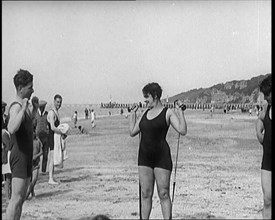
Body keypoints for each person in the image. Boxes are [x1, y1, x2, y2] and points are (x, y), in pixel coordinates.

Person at [129, 82, 187, 219]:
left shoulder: (168, 112)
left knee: (164, 193)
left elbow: (182, 130)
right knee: (145, 193)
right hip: (144, 158)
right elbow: (132, 132)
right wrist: (133, 114)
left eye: (147, 98)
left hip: (161, 158)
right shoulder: (144, 113)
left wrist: (180, 112)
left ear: (155, 96)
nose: (145, 101)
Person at [6, 69, 38, 220]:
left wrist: (35, 109)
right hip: (19, 155)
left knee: (21, 198)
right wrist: (24, 108)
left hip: (26, 155)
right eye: (30, 87)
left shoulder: (22, 106)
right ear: (20, 88)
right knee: (16, 199)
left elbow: (26, 127)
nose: (32, 90)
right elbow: (12, 128)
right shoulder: (15, 106)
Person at [255, 74, 272, 219]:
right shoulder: (266, 110)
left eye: (267, 94)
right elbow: (259, 125)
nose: (265, 98)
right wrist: (263, 140)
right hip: (267, 162)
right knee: (267, 200)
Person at [47, 94, 64, 185]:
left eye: (60, 102)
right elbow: (52, 127)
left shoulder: (56, 112)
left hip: (55, 137)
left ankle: (52, 177)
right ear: (54, 101)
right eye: (57, 102)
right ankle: (50, 178)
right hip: (51, 137)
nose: (59, 104)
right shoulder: (52, 113)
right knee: (52, 158)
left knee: (53, 158)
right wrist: (62, 132)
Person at [25, 131, 43, 200]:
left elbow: (41, 151)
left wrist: (36, 156)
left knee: (34, 179)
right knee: (30, 180)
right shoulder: (27, 141)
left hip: (36, 163)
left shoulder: (38, 141)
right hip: (29, 163)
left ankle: (27, 194)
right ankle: (32, 193)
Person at [34, 100, 49, 174]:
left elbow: (50, 125)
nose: (41, 108)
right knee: (37, 154)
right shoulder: (36, 115)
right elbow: (33, 126)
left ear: (44, 107)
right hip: (38, 138)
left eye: (43, 107)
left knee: (45, 154)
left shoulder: (47, 114)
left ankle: (43, 170)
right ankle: (36, 169)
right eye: (40, 107)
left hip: (46, 137)